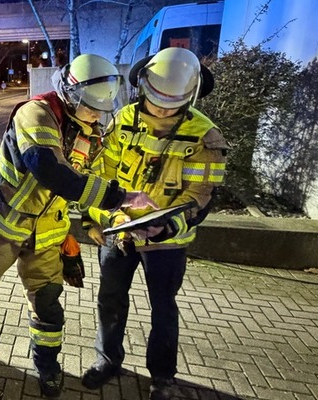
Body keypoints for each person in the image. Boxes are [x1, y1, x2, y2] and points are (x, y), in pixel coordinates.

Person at [0, 54, 157, 398]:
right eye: (91, 108)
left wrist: (81, 230)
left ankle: (47, 367)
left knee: (48, 307)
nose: (97, 116)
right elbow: (51, 170)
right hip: (2, 228)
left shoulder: (88, 129)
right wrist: (120, 198)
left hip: (47, 233)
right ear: (71, 94)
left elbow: (85, 181)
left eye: (101, 110)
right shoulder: (36, 113)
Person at [81, 47, 229, 400]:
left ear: (191, 94)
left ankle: (162, 376)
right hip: (119, 231)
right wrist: (108, 219)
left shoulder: (204, 136)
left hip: (166, 241)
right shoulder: (123, 120)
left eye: (171, 103)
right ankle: (107, 360)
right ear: (142, 86)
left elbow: (199, 196)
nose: (161, 109)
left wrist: (165, 226)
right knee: (110, 299)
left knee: (163, 307)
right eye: (156, 99)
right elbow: (102, 174)